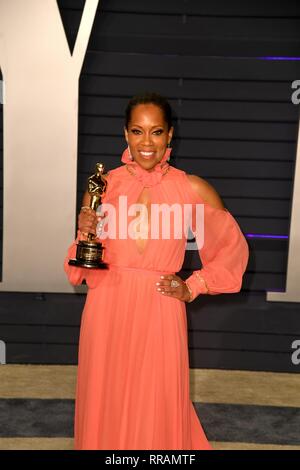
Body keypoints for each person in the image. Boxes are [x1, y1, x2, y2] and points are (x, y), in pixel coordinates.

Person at [64, 92, 249, 450]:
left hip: (160, 309)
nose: (146, 142)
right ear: (125, 134)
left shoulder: (191, 188)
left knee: (158, 400)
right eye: (137, 131)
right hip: (107, 306)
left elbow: (232, 249)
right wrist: (86, 229)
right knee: (106, 395)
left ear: (170, 136)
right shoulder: (103, 188)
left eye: (156, 132)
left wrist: (194, 286)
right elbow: (81, 265)